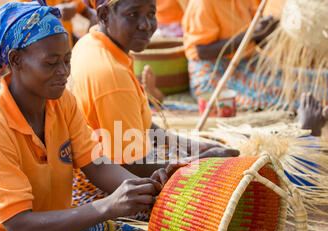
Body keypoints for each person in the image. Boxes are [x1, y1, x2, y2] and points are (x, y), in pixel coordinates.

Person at [0, 0, 198, 231]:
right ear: (17, 61)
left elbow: (96, 164)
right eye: (50, 63)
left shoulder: (60, 103)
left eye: (66, 61)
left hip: (55, 225)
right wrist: (107, 207)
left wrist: (140, 188)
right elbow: (20, 228)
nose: (63, 72)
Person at [70, 0, 240, 214]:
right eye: (133, 15)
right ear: (104, 15)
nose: (146, 25)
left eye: (151, 13)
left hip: (115, 165)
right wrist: (197, 162)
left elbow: (143, 127)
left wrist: (192, 147)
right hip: (104, 192)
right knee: (218, 194)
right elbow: (130, 167)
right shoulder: (111, 75)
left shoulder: (91, 41)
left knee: (216, 148)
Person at [181, 0, 279, 109]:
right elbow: (202, 51)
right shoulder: (203, 3)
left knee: (297, 79)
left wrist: (267, 30)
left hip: (248, 64)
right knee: (277, 92)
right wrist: (252, 33)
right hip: (215, 74)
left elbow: (257, 39)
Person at [19, 0, 97, 49]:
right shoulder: (19, 5)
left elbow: (91, 13)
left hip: (65, 57)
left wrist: (86, 42)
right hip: (42, 62)